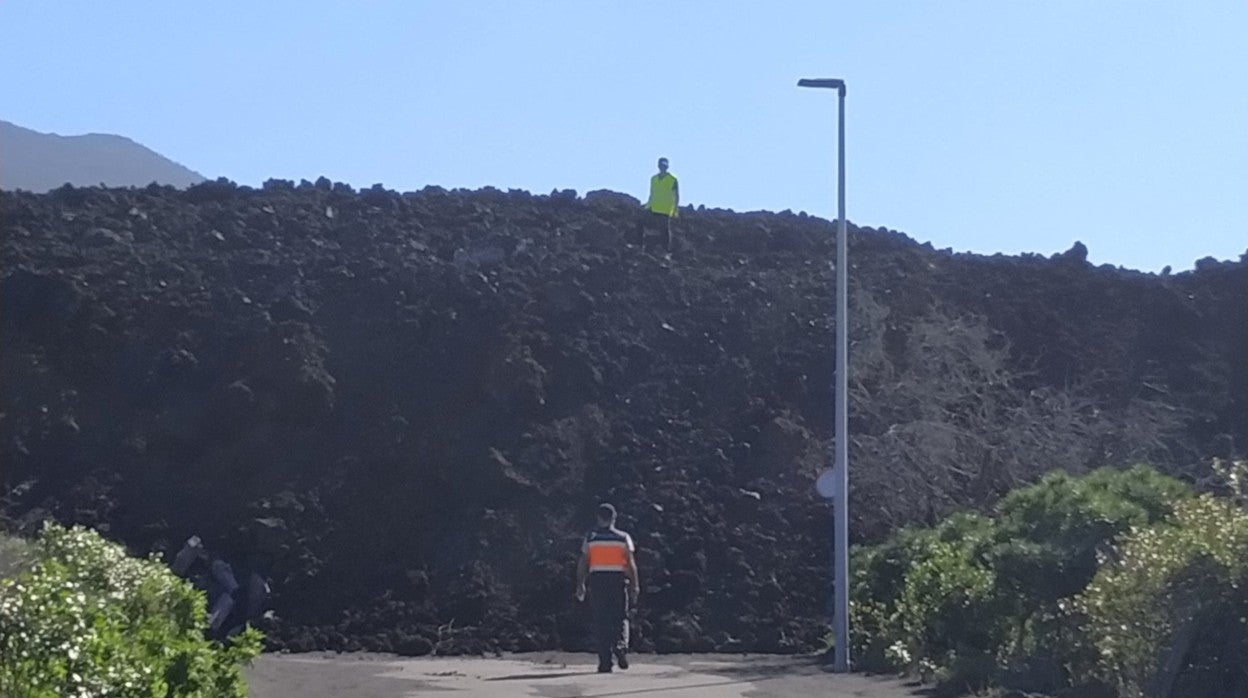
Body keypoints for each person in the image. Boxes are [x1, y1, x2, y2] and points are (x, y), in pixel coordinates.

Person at [576, 503, 640, 673]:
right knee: (620, 617)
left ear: (598, 518)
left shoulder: (591, 538)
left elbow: (583, 562)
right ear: (614, 518)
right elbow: (631, 564)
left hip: (597, 582)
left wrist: (580, 584)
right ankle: (621, 645)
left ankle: (605, 662)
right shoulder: (623, 538)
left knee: (601, 621)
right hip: (617, 581)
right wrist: (635, 585)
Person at [637, 157, 679, 252]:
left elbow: (676, 195)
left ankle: (666, 250)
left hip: (665, 209)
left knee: (664, 230)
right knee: (640, 223)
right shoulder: (654, 179)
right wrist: (648, 205)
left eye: (664, 166)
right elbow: (652, 193)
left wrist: (675, 210)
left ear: (667, 166)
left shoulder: (673, 179)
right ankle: (640, 245)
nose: (662, 167)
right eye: (661, 165)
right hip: (653, 207)